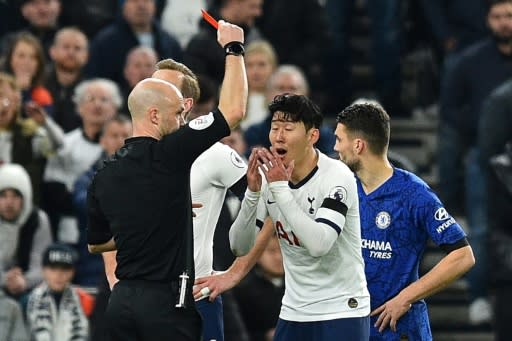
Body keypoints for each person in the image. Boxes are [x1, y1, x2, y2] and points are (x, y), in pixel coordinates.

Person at [87, 20, 247, 341]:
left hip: (121, 302)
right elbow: (233, 109)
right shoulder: (171, 154)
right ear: (155, 116)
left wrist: (152, 220)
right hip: (167, 303)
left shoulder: (104, 172)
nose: (182, 122)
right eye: (177, 115)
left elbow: (97, 243)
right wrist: (233, 48)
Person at [229, 94, 370, 340]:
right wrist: (252, 195)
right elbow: (239, 246)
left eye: (288, 128)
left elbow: (319, 245)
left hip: (340, 310)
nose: (279, 136)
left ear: (312, 136)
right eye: (274, 128)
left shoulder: (337, 177)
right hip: (294, 311)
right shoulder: (268, 178)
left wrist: (280, 189)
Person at [334, 102, 475, 340]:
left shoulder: (414, 193)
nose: (335, 147)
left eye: (339, 139)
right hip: (352, 325)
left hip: (399, 329)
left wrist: (406, 297)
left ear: (358, 145)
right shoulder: (343, 188)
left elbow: (463, 256)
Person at [438, 0, 512, 323]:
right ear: (487, 20)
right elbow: (450, 108)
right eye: (498, 16)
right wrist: (479, 126)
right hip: (483, 158)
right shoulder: (470, 61)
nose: (504, 23)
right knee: (481, 229)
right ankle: (479, 295)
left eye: (510, 16)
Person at [0, 163, 53, 299]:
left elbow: (42, 265)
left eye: (15, 196)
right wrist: (5, 279)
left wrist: (24, 281)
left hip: (28, 288)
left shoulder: (38, 220)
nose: (9, 203)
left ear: (25, 197)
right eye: (3, 196)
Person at [25, 243, 94, 341]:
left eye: (65, 269)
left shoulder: (85, 301)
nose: (59, 274)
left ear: (73, 272)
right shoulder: (28, 301)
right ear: (43, 270)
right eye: (53, 268)